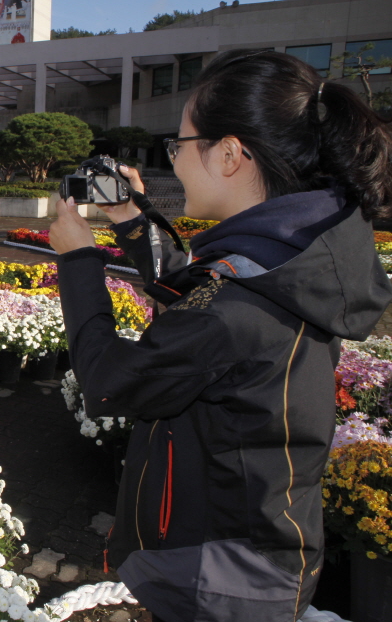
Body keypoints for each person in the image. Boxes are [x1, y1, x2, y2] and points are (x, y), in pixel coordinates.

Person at [47, 49, 392, 622]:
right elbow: (203, 291)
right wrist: (132, 221)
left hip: (218, 573)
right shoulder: (299, 254)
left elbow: (110, 383)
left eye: (179, 146)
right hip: (262, 545)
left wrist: (79, 262)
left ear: (230, 154)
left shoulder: (240, 303)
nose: (175, 163)